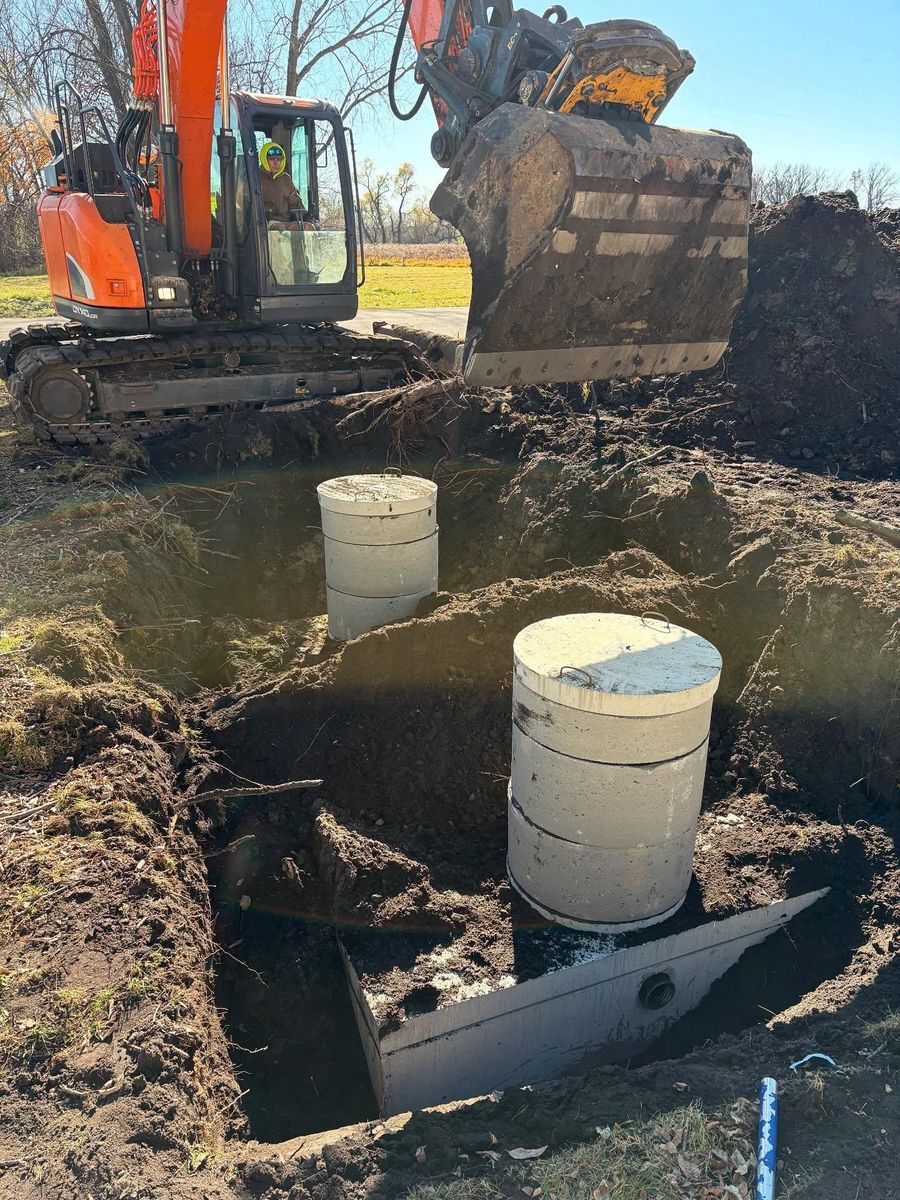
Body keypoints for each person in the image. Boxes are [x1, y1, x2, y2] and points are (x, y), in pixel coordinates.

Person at [258, 140, 312, 230]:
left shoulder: (286, 179)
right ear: (264, 159)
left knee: (309, 227)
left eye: (278, 159)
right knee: (280, 229)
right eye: (272, 159)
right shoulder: (255, 177)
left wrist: (307, 217)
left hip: (285, 222)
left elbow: (295, 203)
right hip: (263, 223)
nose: (276, 163)